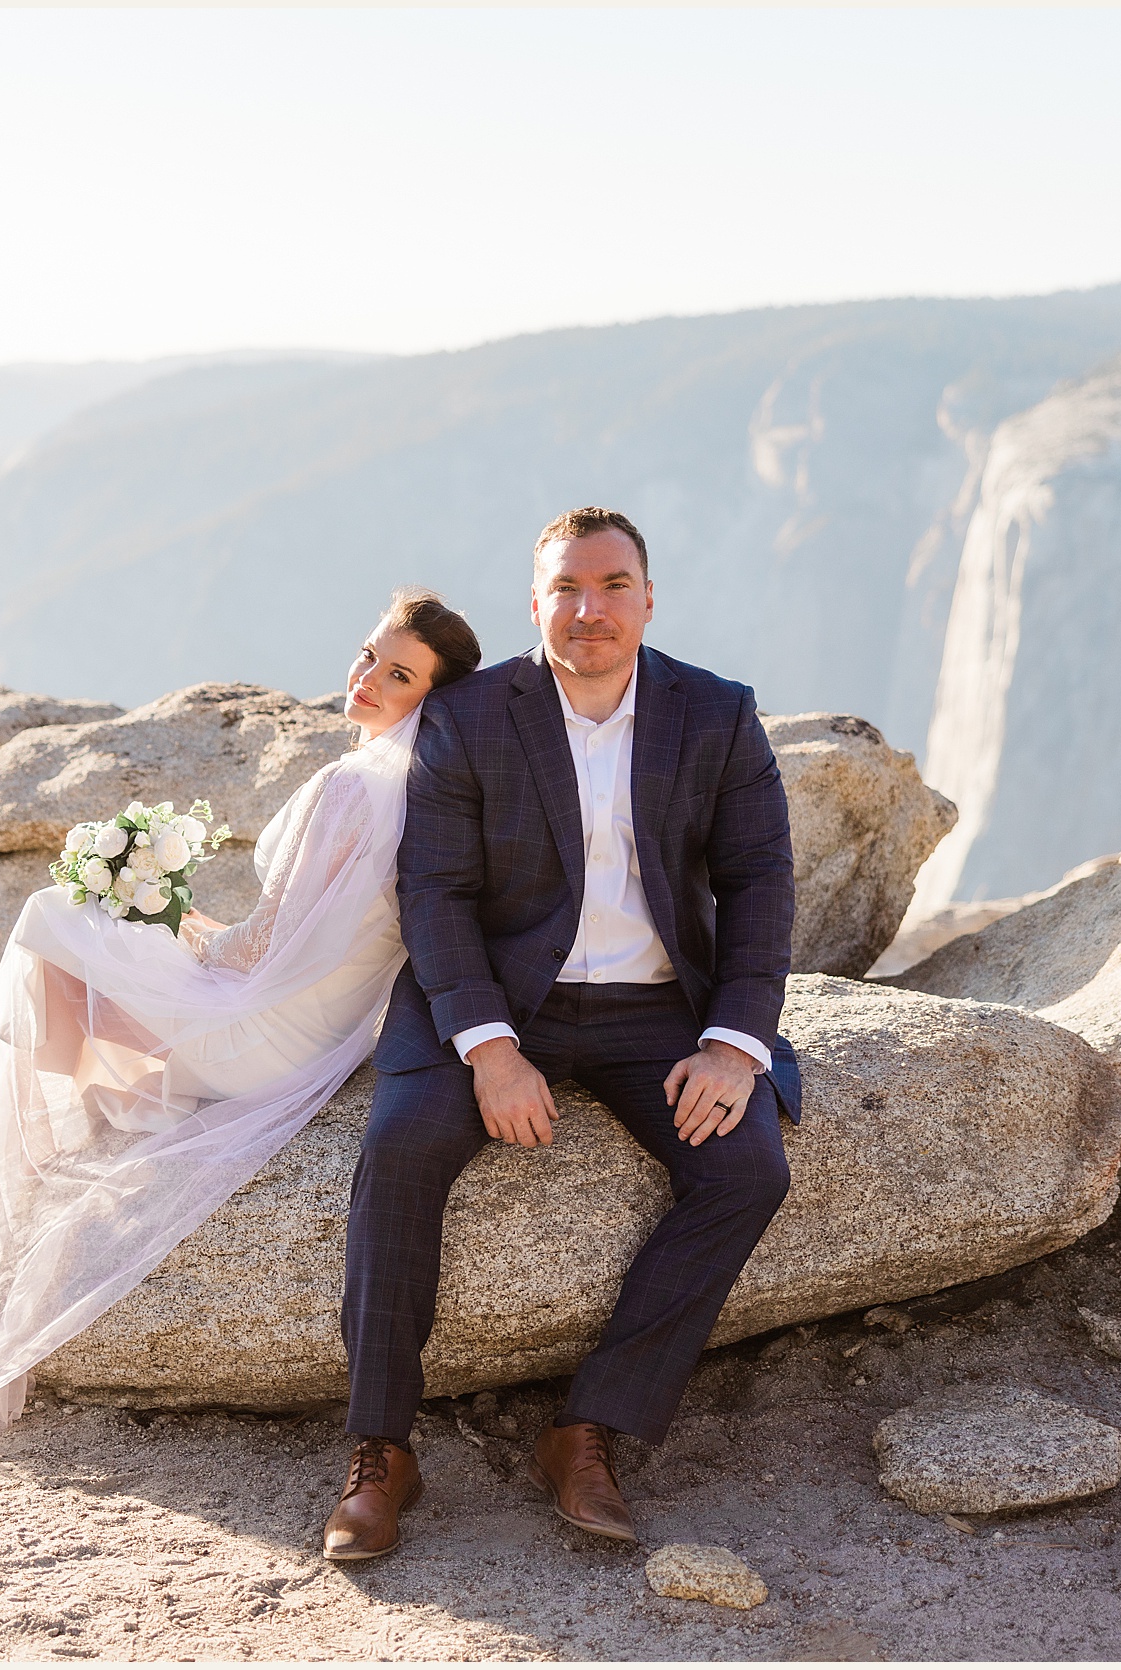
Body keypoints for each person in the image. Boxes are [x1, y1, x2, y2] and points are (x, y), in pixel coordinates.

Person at [0, 589, 483, 1429]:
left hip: (258, 1035)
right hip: (319, 1035)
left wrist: (181, 928)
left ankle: (62, 1136)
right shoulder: (427, 791)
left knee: (53, 921)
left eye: (397, 675)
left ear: (429, 696)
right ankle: (117, 1098)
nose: (366, 678)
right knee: (91, 924)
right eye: (369, 655)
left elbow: (258, 952)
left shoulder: (351, 789)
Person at [324, 507, 800, 1561]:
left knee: (746, 1171)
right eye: (566, 589)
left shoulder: (714, 713)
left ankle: (587, 1427)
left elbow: (760, 880)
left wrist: (732, 1042)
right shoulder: (471, 715)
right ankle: (379, 1448)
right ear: (534, 603)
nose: (589, 610)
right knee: (398, 1149)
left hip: (660, 1007)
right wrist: (489, 1046)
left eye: (612, 585)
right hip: (500, 997)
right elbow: (435, 891)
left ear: (646, 596)